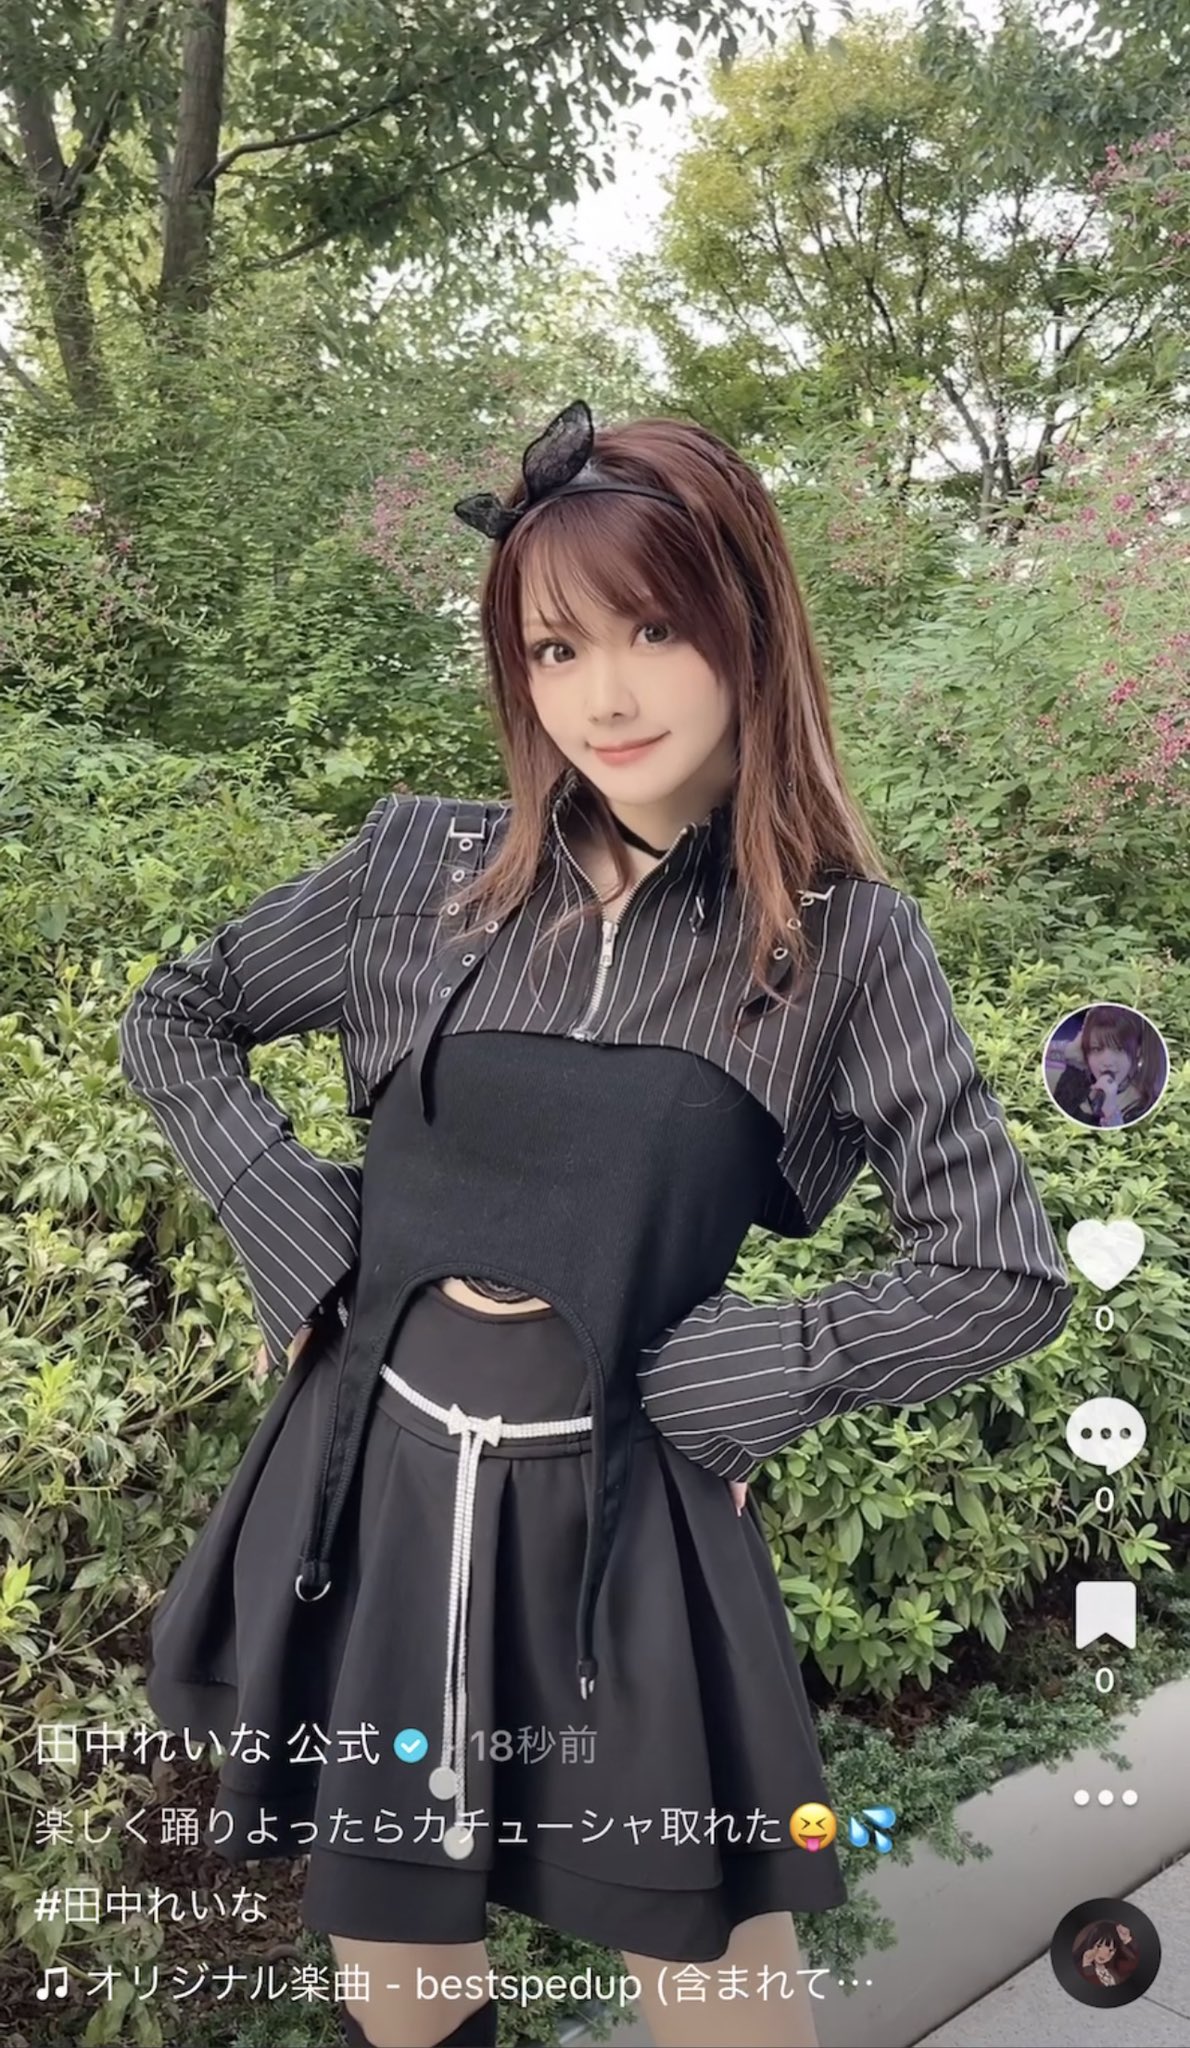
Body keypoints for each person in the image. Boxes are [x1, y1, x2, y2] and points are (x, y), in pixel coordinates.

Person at [119, 398, 1073, 2048]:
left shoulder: (841, 946)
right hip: (371, 1488)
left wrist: (756, 1373)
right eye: (556, 649)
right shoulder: (419, 872)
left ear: (747, 629)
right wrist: (300, 1229)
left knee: (719, 1987)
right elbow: (175, 1016)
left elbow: (1000, 1269)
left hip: (630, 1521)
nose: (605, 696)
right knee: (402, 1990)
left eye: (653, 630)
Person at [1049, 1004, 1164, 1127]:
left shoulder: (1147, 1108)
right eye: (1097, 1049)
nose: (1107, 1062)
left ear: (1137, 1052)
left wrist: (1110, 1110)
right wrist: (1069, 1050)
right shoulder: (1074, 1081)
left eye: (1119, 1049)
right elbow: (1035, 1053)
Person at [1074, 1920, 1141, 1988]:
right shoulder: (1079, 1971)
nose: (1104, 1954)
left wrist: (1127, 1939)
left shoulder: (1116, 1969)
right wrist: (1087, 1965)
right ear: (1091, 1944)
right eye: (1099, 1946)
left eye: (1111, 1950)